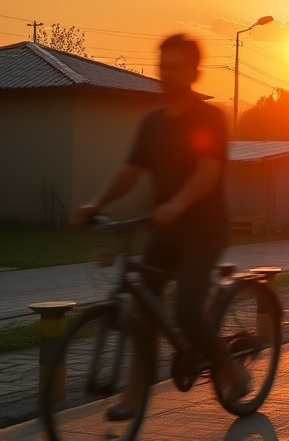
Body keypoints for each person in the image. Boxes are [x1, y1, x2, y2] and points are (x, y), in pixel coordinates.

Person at [73, 33, 246, 420]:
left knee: (186, 310)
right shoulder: (152, 123)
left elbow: (208, 169)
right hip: (165, 229)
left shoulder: (209, 118)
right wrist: (96, 204)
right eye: (162, 66)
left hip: (204, 229)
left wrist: (178, 203)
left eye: (175, 67)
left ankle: (229, 367)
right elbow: (130, 171)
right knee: (141, 312)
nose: (166, 74)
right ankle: (134, 395)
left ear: (194, 72)